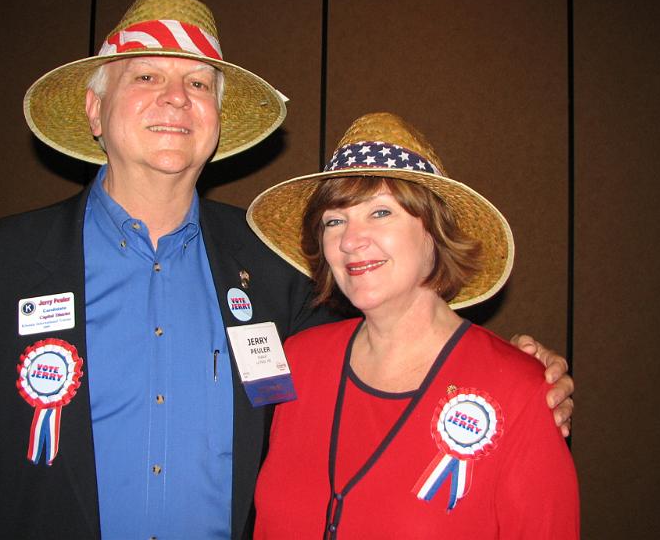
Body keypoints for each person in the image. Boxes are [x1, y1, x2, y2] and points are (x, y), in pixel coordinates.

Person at [0, 0, 572, 540]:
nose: (174, 98)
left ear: (216, 121)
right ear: (95, 112)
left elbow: (392, 335)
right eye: (147, 77)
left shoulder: (276, 271)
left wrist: (518, 387)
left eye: (197, 83)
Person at [248, 112, 579, 538]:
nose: (350, 239)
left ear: (435, 233)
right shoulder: (296, 360)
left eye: (381, 212)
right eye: (334, 220)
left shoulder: (521, 391)